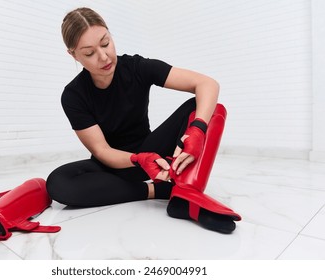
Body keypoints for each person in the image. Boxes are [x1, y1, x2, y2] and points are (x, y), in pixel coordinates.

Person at [47, 7, 241, 233]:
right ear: (73, 55)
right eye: (89, 53)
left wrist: (197, 130)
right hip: (115, 164)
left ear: (110, 35)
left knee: (208, 108)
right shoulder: (73, 95)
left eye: (105, 43)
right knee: (58, 183)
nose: (103, 57)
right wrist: (139, 159)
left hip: (153, 153)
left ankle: (186, 198)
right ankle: (159, 191)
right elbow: (101, 151)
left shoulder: (136, 67)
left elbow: (207, 84)